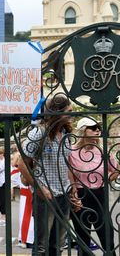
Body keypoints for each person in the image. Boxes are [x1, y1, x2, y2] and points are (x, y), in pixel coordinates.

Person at [17, 95, 73, 255]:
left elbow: (66, 162)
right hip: (46, 196)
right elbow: (22, 163)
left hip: (64, 194)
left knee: (58, 245)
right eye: (68, 111)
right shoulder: (40, 132)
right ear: (56, 112)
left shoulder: (65, 134)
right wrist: (39, 187)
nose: (71, 114)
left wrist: (72, 186)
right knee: (42, 246)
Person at [69, 117, 118, 255]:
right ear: (83, 130)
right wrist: (74, 196)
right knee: (83, 240)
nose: (97, 131)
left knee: (107, 238)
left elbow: (115, 169)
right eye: (93, 128)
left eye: (98, 128)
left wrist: (104, 179)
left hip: (100, 194)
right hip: (80, 195)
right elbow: (69, 176)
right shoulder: (71, 151)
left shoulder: (103, 150)